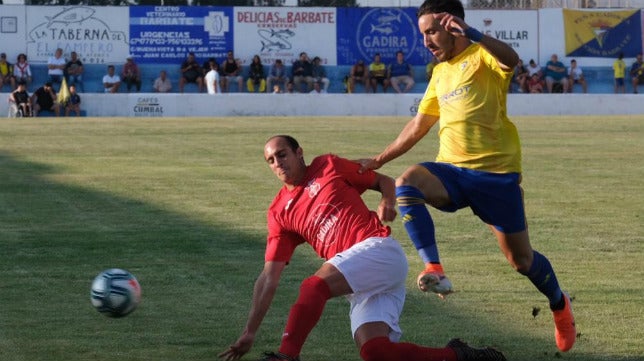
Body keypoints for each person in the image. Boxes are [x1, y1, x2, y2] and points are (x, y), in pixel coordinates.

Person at [358, 0, 576, 353]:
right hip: (452, 173)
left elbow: (511, 60)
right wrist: (378, 159)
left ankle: (559, 303)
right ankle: (435, 269)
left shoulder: (481, 55)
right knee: (407, 181)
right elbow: (419, 125)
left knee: (522, 262)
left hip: (496, 178)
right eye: (423, 34)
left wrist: (473, 34)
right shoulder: (439, 72)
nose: (426, 41)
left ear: (451, 25)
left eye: (431, 31)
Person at [218, 134, 507, 361]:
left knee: (312, 287)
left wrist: (387, 201)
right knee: (376, 352)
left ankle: (287, 356)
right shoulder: (279, 212)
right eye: (270, 160)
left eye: (282, 154)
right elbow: (269, 277)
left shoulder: (327, 166)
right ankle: (459, 354)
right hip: (359, 279)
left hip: (377, 250)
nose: (277, 163)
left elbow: (383, 181)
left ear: (299, 153)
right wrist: (249, 332)